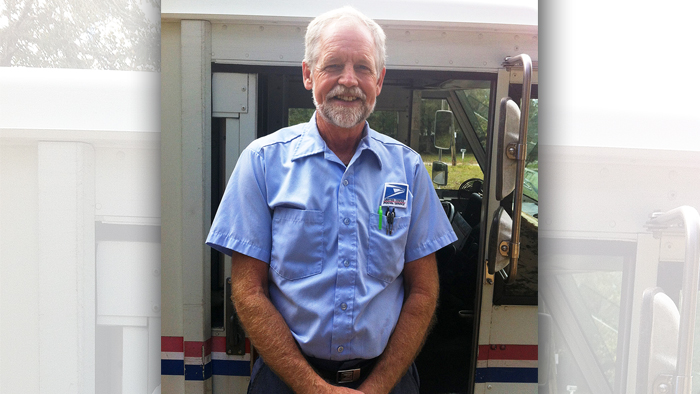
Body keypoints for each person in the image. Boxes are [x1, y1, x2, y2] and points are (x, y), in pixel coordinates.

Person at [206, 6, 457, 394]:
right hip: (287, 380)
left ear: (380, 79)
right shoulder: (262, 163)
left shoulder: (408, 171)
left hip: (388, 381)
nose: (349, 80)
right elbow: (248, 290)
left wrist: (378, 386)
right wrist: (313, 388)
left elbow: (422, 291)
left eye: (363, 67)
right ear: (308, 74)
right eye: (333, 65)